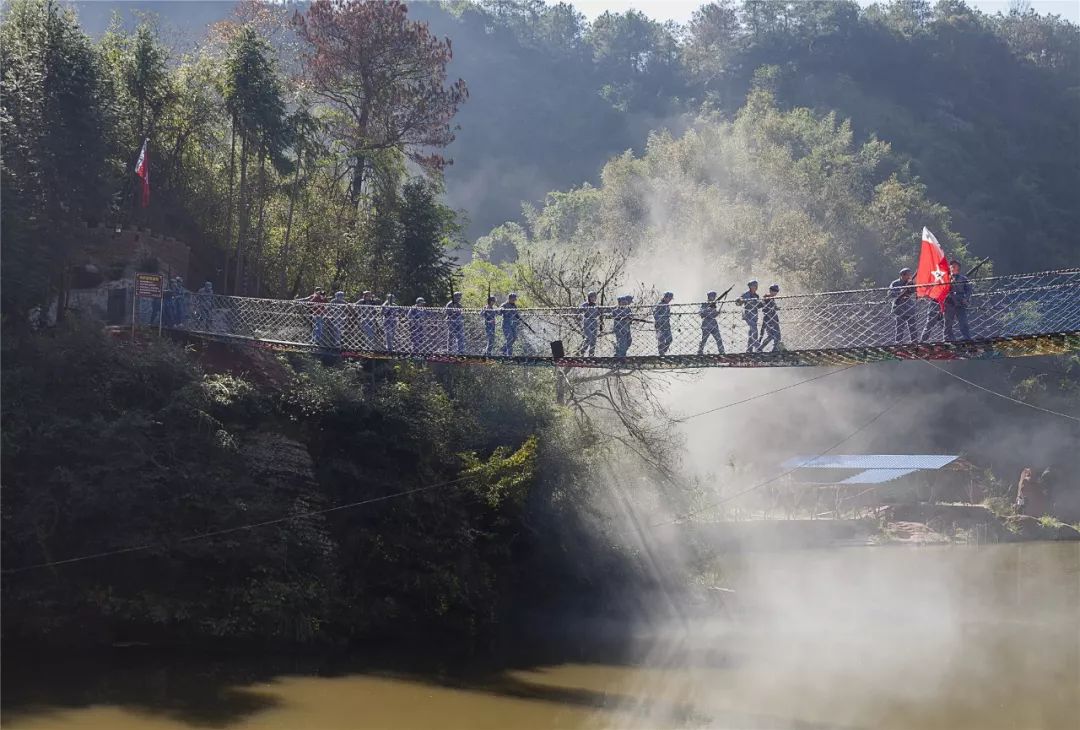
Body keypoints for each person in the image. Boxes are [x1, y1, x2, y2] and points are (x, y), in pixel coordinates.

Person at [944, 259, 973, 341]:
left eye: (955, 265)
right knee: (948, 323)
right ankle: (948, 339)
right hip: (949, 302)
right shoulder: (946, 278)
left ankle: (967, 338)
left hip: (960, 303)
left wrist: (965, 298)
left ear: (958, 267)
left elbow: (969, 290)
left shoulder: (963, 278)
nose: (952, 266)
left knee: (963, 322)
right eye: (951, 265)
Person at [889, 267, 918, 343]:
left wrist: (911, 286)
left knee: (913, 327)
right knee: (899, 328)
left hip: (910, 308)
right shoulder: (895, 283)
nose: (909, 276)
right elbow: (890, 293)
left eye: (909, 275)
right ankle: (898, 343)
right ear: (902, 275)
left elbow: (915, 292)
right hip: (899, 308)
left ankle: (914, 342)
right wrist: (901, 292)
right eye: (907, 275)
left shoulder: (911, 283)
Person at [737, 280, 762, 352]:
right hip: (748, 315)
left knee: (751, 332)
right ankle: (758, 347)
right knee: (754, 330)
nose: (755, 287)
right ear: (750, 287)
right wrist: (740, 300)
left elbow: (758, 306)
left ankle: (749, 350)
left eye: (756, 286)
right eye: (753, 286)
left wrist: (763, 303)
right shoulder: (745, 294)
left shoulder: (756, 296)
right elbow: (739, 302)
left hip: (754, 316)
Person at [698, 290, 724, 355]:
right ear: (709, 297)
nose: (713, 298)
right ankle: (700, 352)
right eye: (712, 296)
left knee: (719, 339)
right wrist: (708, 309)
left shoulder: (714, 304)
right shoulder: (704, 304)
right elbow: (701, 313)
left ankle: (722, 352)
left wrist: (717, 312)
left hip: (713, 323)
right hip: (706, 323)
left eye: (714, 296)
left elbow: (714, 315)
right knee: (704, 339)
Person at [759, 284, 782, 352]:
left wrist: (776, 308)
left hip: (772, 319)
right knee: (777, 336)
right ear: (770, 290)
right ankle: (774, 350)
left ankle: (760, 348)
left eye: (776, 291)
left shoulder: (771, 298)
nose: (775, 292)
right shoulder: (767, 298)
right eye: (774, 290)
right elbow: (764, 307)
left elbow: (773, 307)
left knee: (771, 335)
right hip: (769, 319)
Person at [578, 291, 600, 356]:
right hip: (587, 322)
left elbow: (600, 313)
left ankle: (591, 354)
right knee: (588, 338)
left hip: (594, 322)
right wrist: (579, 315)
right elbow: (578, 311)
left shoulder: (596, 306)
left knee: (594, 339)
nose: (593, 298)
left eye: (594, 297)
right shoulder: (585, 304)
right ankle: (582, 352)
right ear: (589, 297)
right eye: (592, 297)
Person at [654, 291, 674, 356]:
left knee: (670, 339)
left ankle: (663, 351)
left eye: (671, 298)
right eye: (669, 298)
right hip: (659, 326)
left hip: (667, 326)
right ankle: (661, 354)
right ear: (665, 297)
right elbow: (655, 313)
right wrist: (660, 320)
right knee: (661, 340)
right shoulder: (660, 304)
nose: (670, 300)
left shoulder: (667, 306)